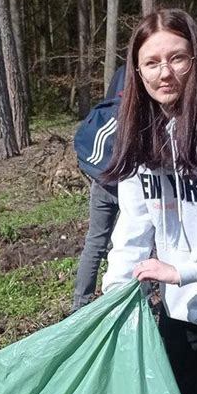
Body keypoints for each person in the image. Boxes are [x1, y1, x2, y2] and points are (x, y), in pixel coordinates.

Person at [102, 8, 197, 394]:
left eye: (177, 58)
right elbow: (132, 228)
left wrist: (183, 269)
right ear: (137, 70)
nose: (164, 72)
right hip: (179, 314)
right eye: (151, 62)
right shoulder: (142, 136)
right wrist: (113, 294)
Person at [71, 66, 124, 312]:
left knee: (95, 242)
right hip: (130, 180)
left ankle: (79, 307)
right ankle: (125, 304)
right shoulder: (148, 79)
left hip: (102, 175)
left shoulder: (122, 71)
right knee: (133, 245)